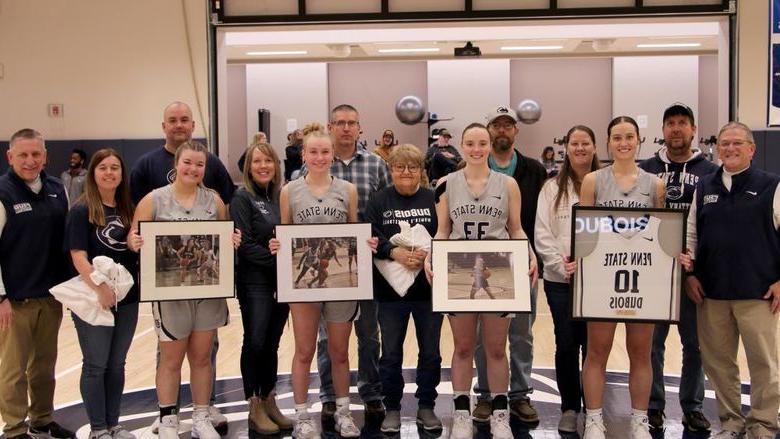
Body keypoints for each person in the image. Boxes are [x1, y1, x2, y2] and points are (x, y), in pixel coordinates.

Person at [424, 123, 538, 439]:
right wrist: (431, 254)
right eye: (471, 143)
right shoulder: (446, 184)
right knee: (462, 347)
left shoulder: (509, 184)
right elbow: (443, 230)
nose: (477, 149)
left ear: (489, 146)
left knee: (496, 348)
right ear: (462, 146)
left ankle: (500, 413)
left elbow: (515, 228)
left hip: (499, 267)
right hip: (459, 268)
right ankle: (462, 413)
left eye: (482, 143)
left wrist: (530, 253)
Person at [129, 101, 233, 431]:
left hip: (207, 288)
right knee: (172, 358)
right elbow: (134, 234)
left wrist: (232, 241)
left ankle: (202, 415)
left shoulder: (214, 199)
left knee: (202, 356)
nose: (193, 169)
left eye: (199, 164)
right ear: (178, 163)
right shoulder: (154, 199)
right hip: (170, 289)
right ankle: (168, 418)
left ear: (206, 167)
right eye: (187, 162)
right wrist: (136, 242)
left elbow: (225, 235)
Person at [269, 122, 367, 439]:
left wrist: (365, 246)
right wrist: (277, 245)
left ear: (332, 155)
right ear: (304, 155)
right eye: (314, 152)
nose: (320, 157)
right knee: (304, 351)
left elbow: (353, 232)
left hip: (340, 282)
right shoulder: (289, 191)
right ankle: (301, 416)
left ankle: (343, 412)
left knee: (339, 351)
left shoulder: (347, 190)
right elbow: (284, 232)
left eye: (325, 152)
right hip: (304, 283)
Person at [683, 122, 780, 439]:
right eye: (724, 143)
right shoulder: (704, 186)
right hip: (712, 293)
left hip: (759, 293)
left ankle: (764, 423)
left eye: (737, 143)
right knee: (719, 364)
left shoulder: (771, 185)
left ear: (752, 149)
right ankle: (731, 422)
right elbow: (691, 235)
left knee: (763, 364)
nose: (729, 148)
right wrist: (691, 275)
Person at [577, 116, 665, 439]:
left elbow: (662, 234)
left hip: (642, 278)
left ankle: (639, 419)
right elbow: (584, 231)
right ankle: (595, 419)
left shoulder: (655, 184)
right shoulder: (593, 181)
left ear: (639, 140)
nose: (624, 142)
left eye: (630, 137)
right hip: (603, 279)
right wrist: (578, 262)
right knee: (597, 351)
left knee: (640, 352)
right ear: (608, 142)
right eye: (617, 137)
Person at [303, 104, 391, 422]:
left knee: (369, 333)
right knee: (327, 337)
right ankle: (329, 395)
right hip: (327, 268)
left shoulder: (377, 165)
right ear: (330, 126)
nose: (345, 128)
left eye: (351, 123)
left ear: (359, 127)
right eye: (339, 122)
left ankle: (370, 392)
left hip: (366, 264)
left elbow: (385, 212)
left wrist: (379, 244)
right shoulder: (311, 167)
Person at [639, 103, 717, 433]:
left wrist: (695, 268)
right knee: (652, 344)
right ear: (662, 129)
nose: (676, 129)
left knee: (694, 344)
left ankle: (692, 406)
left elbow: (712, 226)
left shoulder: (710, 171)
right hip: (653, 272)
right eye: (670, 123)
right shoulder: (646, 168)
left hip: (691, 273)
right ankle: (654, 405)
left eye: (682, 123)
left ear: (693, 129)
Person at [472, 106, 547, 425]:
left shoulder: (535, 170)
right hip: (478, 265)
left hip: (521, 265)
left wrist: (535, 257)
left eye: (508, 125)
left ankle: (519, 394)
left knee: (521, 333)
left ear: (516, 131)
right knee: (480, 336)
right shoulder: (471, 169)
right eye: (496, 125)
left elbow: (538, 220)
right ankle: (486, 394)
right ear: (489, 131)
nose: (502, 130)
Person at [363, 144, 443, 433]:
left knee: (431, 352)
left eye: (412, 167)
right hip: (390, 293)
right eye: (399, 167)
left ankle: (426, 406)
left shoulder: (434, 199)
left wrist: (427, 255)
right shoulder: (379, 199)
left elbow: (443, 234)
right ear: (391, 169)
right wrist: (393, 252)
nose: (406, 172)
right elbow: (369, 234)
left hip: (428, 291)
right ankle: (393, 408)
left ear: (421, 171)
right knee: (391, 353)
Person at [0, 129, 74, 439]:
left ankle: (42, 419)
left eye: (36, 154)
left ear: (45, 156)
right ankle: (15, 429)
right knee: (13, 371)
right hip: (15, 301)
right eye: (23, 155)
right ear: (10, 157)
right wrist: (0, 297)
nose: (30, 161)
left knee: (44, 366)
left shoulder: (58, 189)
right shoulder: (3, 192)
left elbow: (68, 241)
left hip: (51, 296)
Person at [65, 148, 139, 439]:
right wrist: (100, 288)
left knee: (117, 364)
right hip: (95, 299)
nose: (109, 173)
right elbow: (78, 256)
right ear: (93, 173)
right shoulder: (82, 210)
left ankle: (113, 423)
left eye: (115, 168)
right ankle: (98, 429)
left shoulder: (129, 210)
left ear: (122, 174)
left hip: (128, 300)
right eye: (103, 168)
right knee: (96, 364)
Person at [534, 125, 600, 434]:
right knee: (567, 343)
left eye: (585, 143)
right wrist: (563, 266)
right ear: (567, 148)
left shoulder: (605, 185)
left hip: (599, 281)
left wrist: (593, 267)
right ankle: (570, 407)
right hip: (560, 281)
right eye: (575, 143)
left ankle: (594, 407)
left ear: (595, 147)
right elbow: (542, 234)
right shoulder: (550, 188)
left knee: (595, 346)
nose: (580, 148)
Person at [229, 142, 293, 435]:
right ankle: (253, 403)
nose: (263, 166)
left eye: (268, 160)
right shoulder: (243, 197)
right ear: (249, 166)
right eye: (257, 161)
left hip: (282, 282)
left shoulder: (282, 196)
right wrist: (277, 259)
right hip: (255, 281)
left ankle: (269, 399)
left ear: (276, 165)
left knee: (272, 343)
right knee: (255, 340)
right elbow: (244, 247)